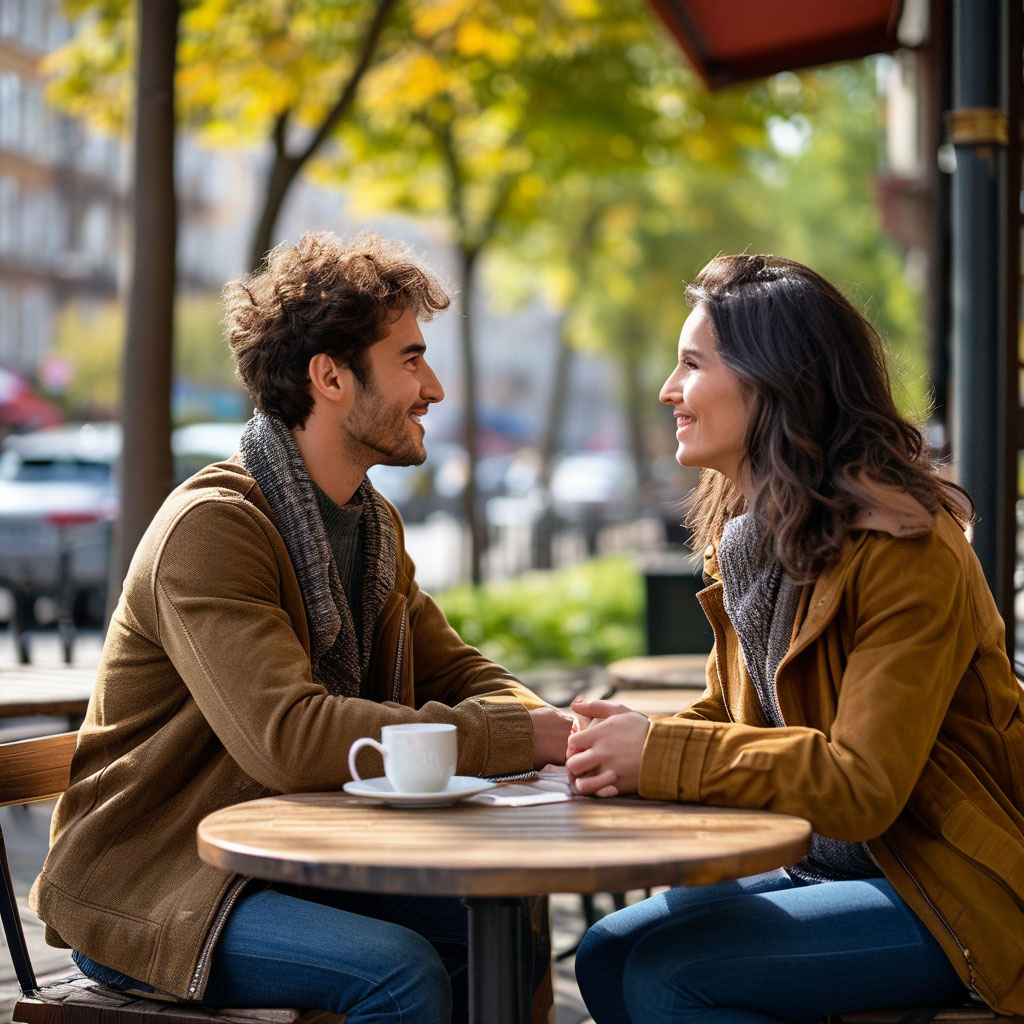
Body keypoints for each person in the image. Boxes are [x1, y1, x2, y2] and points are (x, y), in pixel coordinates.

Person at [30, 232, 571, 1024]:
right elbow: (290, 737)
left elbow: (457, 672)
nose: (436, 388)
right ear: (330, 377)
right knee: (401, 973)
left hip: (287, 859)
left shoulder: (371, 525)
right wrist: (524, 740)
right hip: (160, 883)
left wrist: (547, 725)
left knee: (507, 928)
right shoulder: (215, 528)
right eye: (411, 359)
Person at [567, 253, 1024, 1023]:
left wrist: (661, 754)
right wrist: (602, 739)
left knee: (672, 978)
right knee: (605, 953)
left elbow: (861, 787)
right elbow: (730, 721)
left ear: (771, 379)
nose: (667, 391)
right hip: (829, 863)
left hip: (947, 883)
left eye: (690, 364)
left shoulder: (904, 548)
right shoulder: (759, 541)